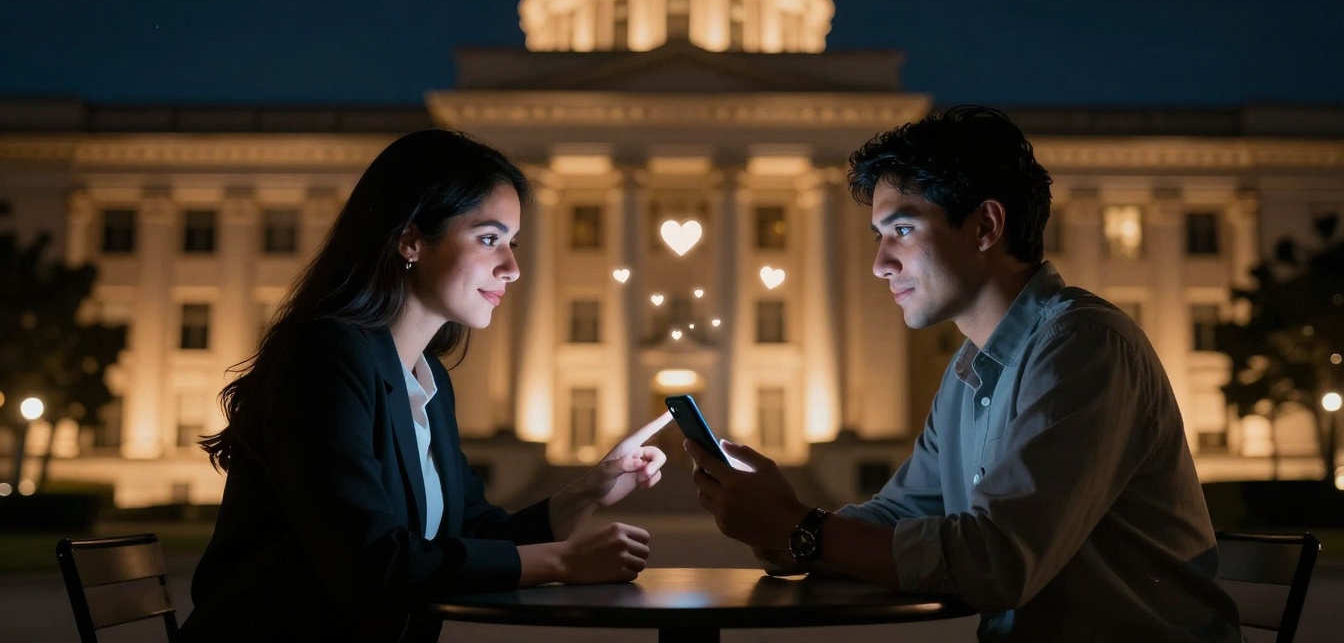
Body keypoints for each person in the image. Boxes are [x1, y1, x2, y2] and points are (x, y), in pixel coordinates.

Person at [685, 106, 1241, 642]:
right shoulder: (969, 371)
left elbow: (997, 560)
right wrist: (783, 529)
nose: (880, 263)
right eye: (878, 236)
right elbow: (902, 513)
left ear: (984, 226)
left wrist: (804, 531)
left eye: (900, 230)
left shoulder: (1085, 346)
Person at [179, 129, 672, 643]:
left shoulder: (426, 377)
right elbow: (371, 561)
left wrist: (587, 492)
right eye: (489, 239)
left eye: (512, 243)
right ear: (410, 239)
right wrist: (561, 561)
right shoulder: (324, 354)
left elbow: (470, 536)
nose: (513, 268)